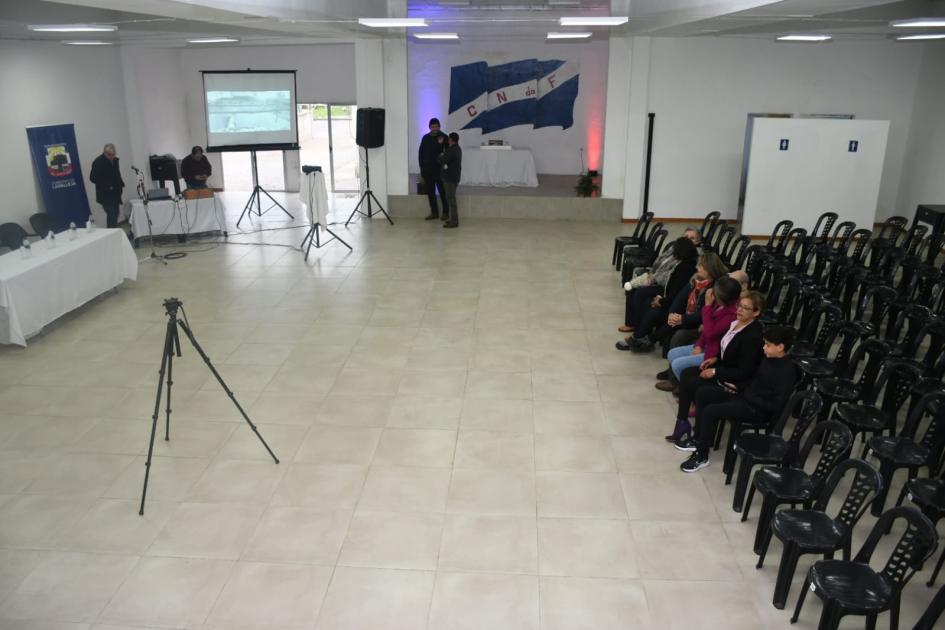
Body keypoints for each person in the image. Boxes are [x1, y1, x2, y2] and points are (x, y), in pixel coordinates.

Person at [678, 325, 798, 473]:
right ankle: (700, 439)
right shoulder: (769, 359)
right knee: (704, 393)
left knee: (710, 411)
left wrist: (747, 394)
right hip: (746, 397)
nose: (764, 348)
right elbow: (755, 381)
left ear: (780, 347)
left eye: (768, 345)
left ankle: (702, 456)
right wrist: (738, 387)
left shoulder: (787, 372)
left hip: (757, 410)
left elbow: (776, 405)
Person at [665, 291, 766, 442]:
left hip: (733, 380)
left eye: (746, 308)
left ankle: (699, 434)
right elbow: (727, 349)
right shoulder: (735, 324)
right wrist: (714, 359)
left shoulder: (752, 336)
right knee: (686, 374)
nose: (739, 310)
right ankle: (682, 422)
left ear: (756, 312)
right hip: (722, 367)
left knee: (697, 386)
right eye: (740, 306)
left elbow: (745, 371)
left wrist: (714, 371)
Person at [658, 275, 741, 393]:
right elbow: (704, 330)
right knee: (672, 354)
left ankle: (685, 389)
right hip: (705, 344)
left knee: (677, 364)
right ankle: (680, 383)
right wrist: (698, 345)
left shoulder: (731, 315)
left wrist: (707, 306)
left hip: (713, 352)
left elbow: (710, 331)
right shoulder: (719, 304)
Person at [620, 236, 698, 335]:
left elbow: (673, 288)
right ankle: (632, 324)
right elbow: (658, 263)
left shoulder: (684, 267)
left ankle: (638, 330)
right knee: (634, 290)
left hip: (663, 285)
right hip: (659, 281)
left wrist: (660, 299)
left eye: (692, 237)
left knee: (641, 294)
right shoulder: (677, 256)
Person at [418, 118, 449, 220]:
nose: (435, 128)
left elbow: (449, 154)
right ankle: (434, 213)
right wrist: (422, 168)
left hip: (440, 171)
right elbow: (421, 154)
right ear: (429, 127)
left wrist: (446, 168)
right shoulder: (425, 138)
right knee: (430, 193)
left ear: (439, 126)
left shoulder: (444, 137)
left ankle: (445, 213)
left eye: (436, 126)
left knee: (443, 192)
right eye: (432, 127)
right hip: (428, 171)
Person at [89, 143, 124, 228]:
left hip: (116, 193)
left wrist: (121, 184)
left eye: (113, 154)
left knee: (116, 214)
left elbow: (117, 174)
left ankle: (114, 232)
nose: (112, 157)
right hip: (105, 195)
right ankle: (110, 234)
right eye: (110, 155)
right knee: (111, 214)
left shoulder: (115, 160)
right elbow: (92, 178)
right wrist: (108, 185)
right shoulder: (98, 162)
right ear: (105, 153)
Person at [438, 132, 462, 228]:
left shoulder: (453, 150)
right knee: (450, 199)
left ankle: (454, 221)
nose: (447, 140)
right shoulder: (456, 149)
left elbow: (441, 160)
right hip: (452, 177)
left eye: (448, 139)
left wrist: (441, 155)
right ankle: (452, 219)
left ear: (451, 140)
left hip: (450, 179)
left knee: (451, 200)